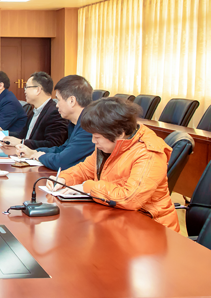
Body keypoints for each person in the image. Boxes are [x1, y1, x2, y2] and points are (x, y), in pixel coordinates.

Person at [46, 97, 180, 232]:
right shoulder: (110, 144)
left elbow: (130, 198)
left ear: (119, 133)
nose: (93, 141)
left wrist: (88, 187)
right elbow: (85, 169)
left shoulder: (148, 153)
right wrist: (63, 179)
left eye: (97, 137)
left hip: (152, 229)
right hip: (120, 220)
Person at [14, 75, 95, 171]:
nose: (57, 105)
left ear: (72, 101)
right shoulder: (75, 123)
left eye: (59, 100)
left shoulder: (90, 127)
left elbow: (62, 162)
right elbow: (62, 149)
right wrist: (34, 152)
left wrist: (40, 156)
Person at [0, 72, 68, 153]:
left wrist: (22, 142)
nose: (25, 91)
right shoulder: (32, 110)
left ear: (38, 90)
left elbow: (53, 144)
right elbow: (24, 135)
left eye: (27, 87)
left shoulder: (55, 112)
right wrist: (4, 134)